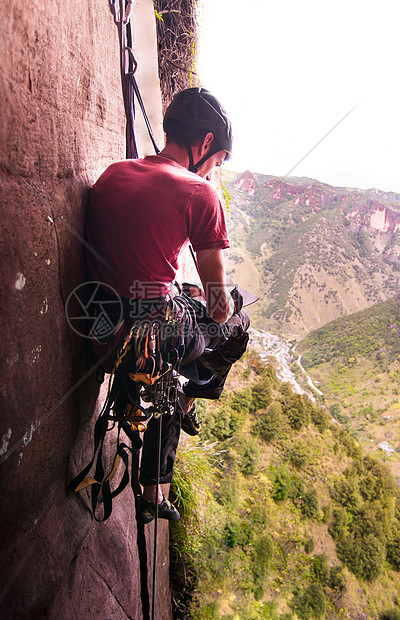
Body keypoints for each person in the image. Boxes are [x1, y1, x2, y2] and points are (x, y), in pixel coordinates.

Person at [85, 87, 250, 523]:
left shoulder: (115, 172)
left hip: (98, 326)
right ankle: (193, 399)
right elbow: (217, 310)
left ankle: (185, 404)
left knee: (182, 313)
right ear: (207, 144)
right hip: (144, 340)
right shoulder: (200, 194)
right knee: (236, 321)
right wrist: (222, 306)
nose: (213, 173)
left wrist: (182, 296)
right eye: (216, 163)